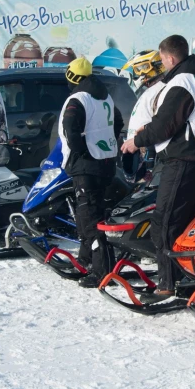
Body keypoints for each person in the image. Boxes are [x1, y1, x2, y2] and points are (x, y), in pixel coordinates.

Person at [121, 35, 195, 301]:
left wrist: (136, 141)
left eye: (163, 60)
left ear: (170, 58)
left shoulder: (182, 81)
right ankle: (189, 277)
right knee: (186, 221)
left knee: (164, 222)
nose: (163, 65)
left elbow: (166, 124)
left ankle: (169, 284)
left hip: (183, 158)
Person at [58, 57, 124, 288]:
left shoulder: (78, 99)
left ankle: (101, 271)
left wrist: (82, 151)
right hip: (105, 162)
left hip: (87, 164)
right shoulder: (105, 96)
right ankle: (85, 260)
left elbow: (70, 130)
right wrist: (105, 143)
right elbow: (118, 121)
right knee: (94, 212)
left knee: (89, 218)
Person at [121, 50, 167, 183]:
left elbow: (161, 124)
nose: (138, 74)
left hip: (150, 155)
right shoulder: (152, 90)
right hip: (139, 155)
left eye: (139, 69)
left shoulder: (162, 90)